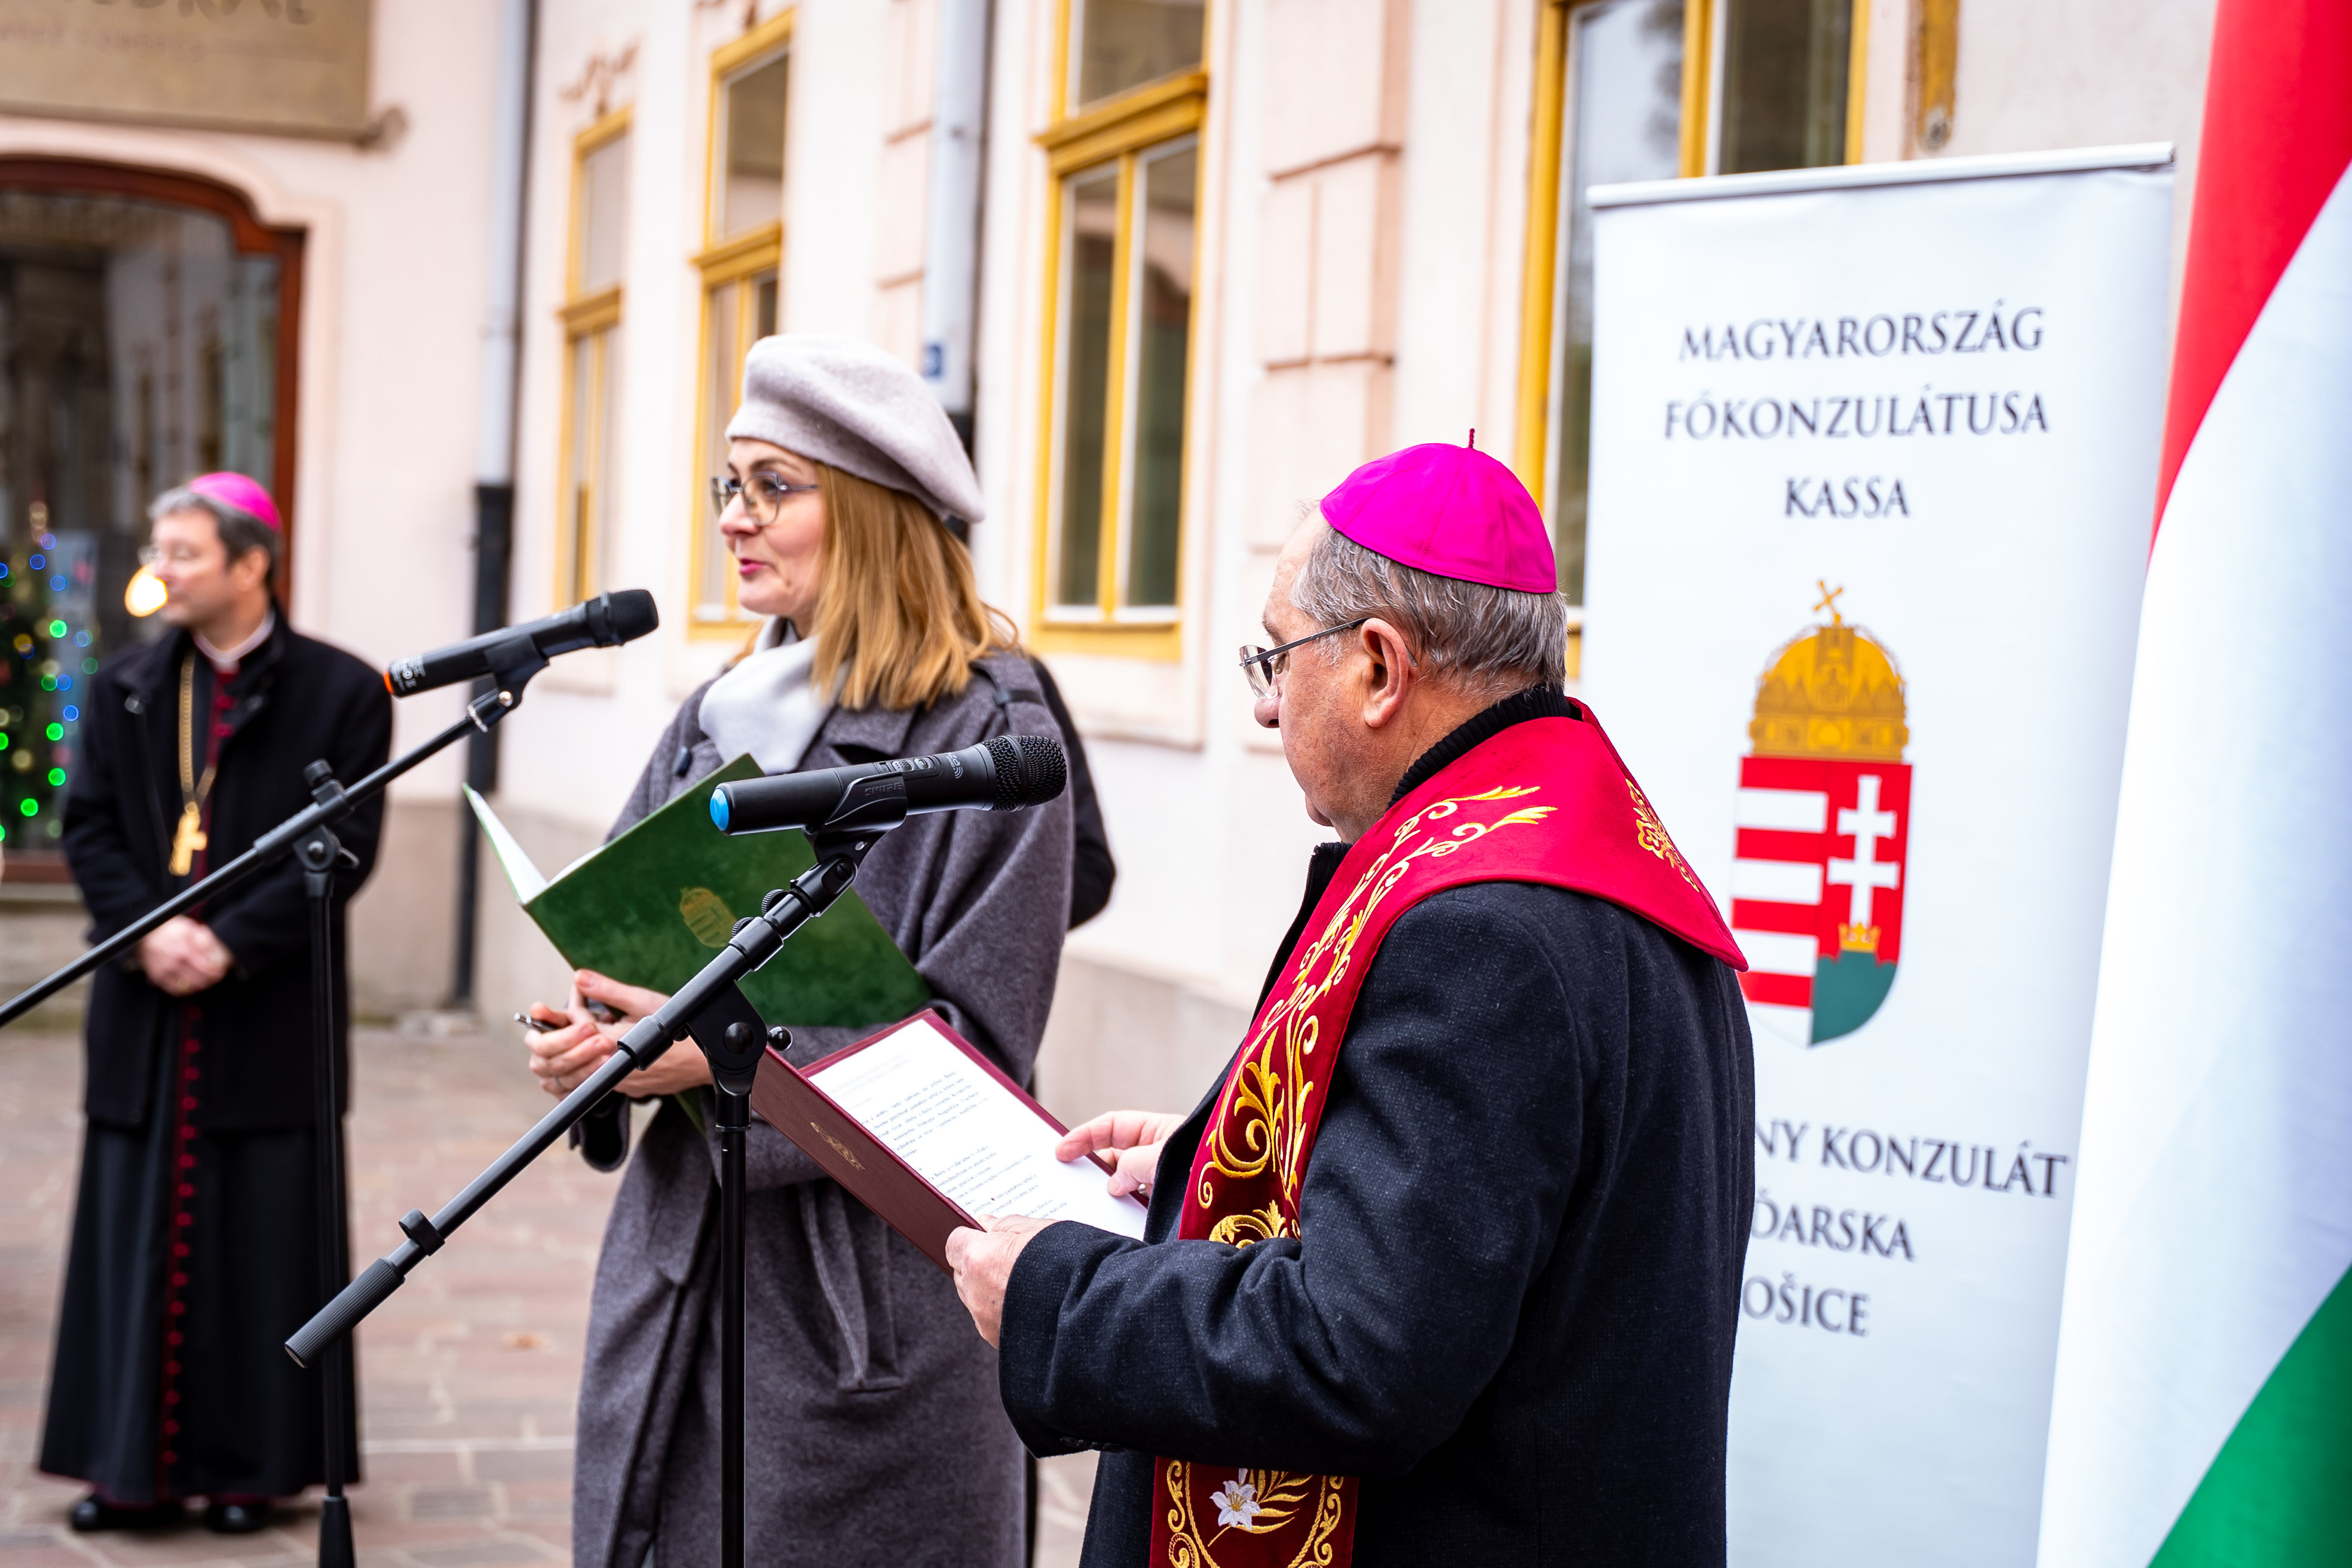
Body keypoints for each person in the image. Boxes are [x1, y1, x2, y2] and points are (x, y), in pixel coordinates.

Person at [946, 438, 1756, 1566]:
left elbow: (1359, 1348)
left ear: (1380, 666)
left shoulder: (1485, 929)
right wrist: (1207, 1157)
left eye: (1276, 658)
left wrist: (1057, 1292)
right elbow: (1497, 1227)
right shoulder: (1586, 853)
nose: (1270, 710)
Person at [521, 335, 1074, 1568]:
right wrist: (600, 1035)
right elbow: (620, 929)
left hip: (858, 1296)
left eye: (775, 485)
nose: (736, 518)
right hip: (681, 1266)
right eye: (730, 485)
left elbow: (975, 1041)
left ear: (874, 512)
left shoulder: (989, 735)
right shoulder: (714, 715)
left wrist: (706, 1056)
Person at [43, 473, 391, 1533]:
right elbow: (89, 826)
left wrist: (230, 943)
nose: (163, 569)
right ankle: (126, 1469)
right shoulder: (127, 687)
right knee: (133, 1230)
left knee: (263, 1240)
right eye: (160, 548)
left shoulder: (344, 691)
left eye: (185, 552)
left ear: (252, 564)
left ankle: (254, 1472)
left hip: (269, 1010)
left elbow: (350, 846)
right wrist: (151, 933)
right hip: (147, 1010)